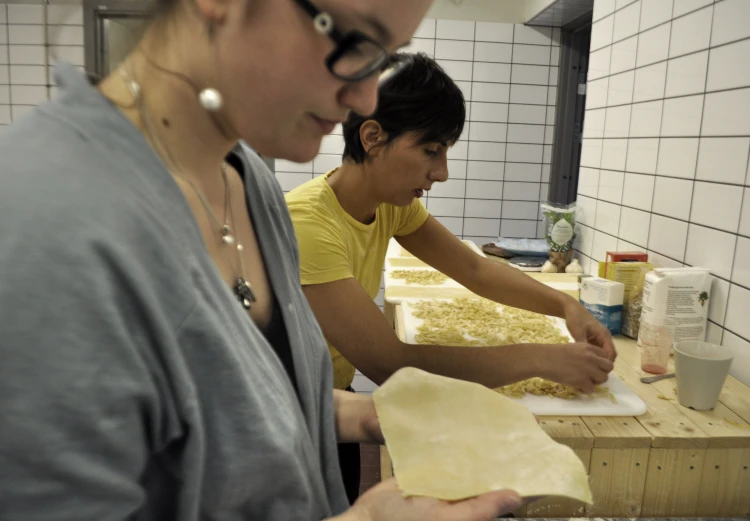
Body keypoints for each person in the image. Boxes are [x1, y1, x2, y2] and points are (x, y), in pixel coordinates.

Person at [0, 0, 535, 520]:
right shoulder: (43, 221)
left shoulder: (248, 178)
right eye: (355, 42)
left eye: (384, 58)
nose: (366, 99)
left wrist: (368, 414)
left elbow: (222, 413)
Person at [285, 53, 617, 498]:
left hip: (331, 394)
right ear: (372, 137)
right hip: (286, 414)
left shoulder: (388, 205)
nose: (441, 173)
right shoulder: (308, 224)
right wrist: (545, 359)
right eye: (431, 150)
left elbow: (475, 269)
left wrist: (566, 306)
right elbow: (390, 364)